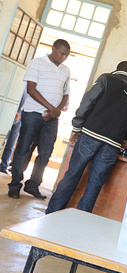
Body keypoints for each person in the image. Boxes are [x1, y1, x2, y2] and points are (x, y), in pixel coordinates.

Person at [46, 61, 127, 214]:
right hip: (111, 145)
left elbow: (87, 102)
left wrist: (77, 126)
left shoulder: (106, 79)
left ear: (116, 70)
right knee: (95, 184)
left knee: (72, 175)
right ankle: (80, 220)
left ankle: (52, 214)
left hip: (90, 136)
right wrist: (124, 138)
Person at [8, 39, 71, 199]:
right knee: (23, 150)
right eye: (61, 53)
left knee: (46, 153)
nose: (64, 57)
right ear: (53, 48)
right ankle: (15, 185)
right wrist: (52, 109)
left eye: (66, 55)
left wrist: (55, 112)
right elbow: (31, 89)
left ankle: (32, 185)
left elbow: (66, 94)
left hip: (51, 119)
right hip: (32, 114)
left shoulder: (65, 70)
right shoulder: (37, 63)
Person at [0, 92, 27, 176]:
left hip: (19, 117)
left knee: (11, 143)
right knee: (2, 139)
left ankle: (4, 166)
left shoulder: (29, 84)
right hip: (9, 112)